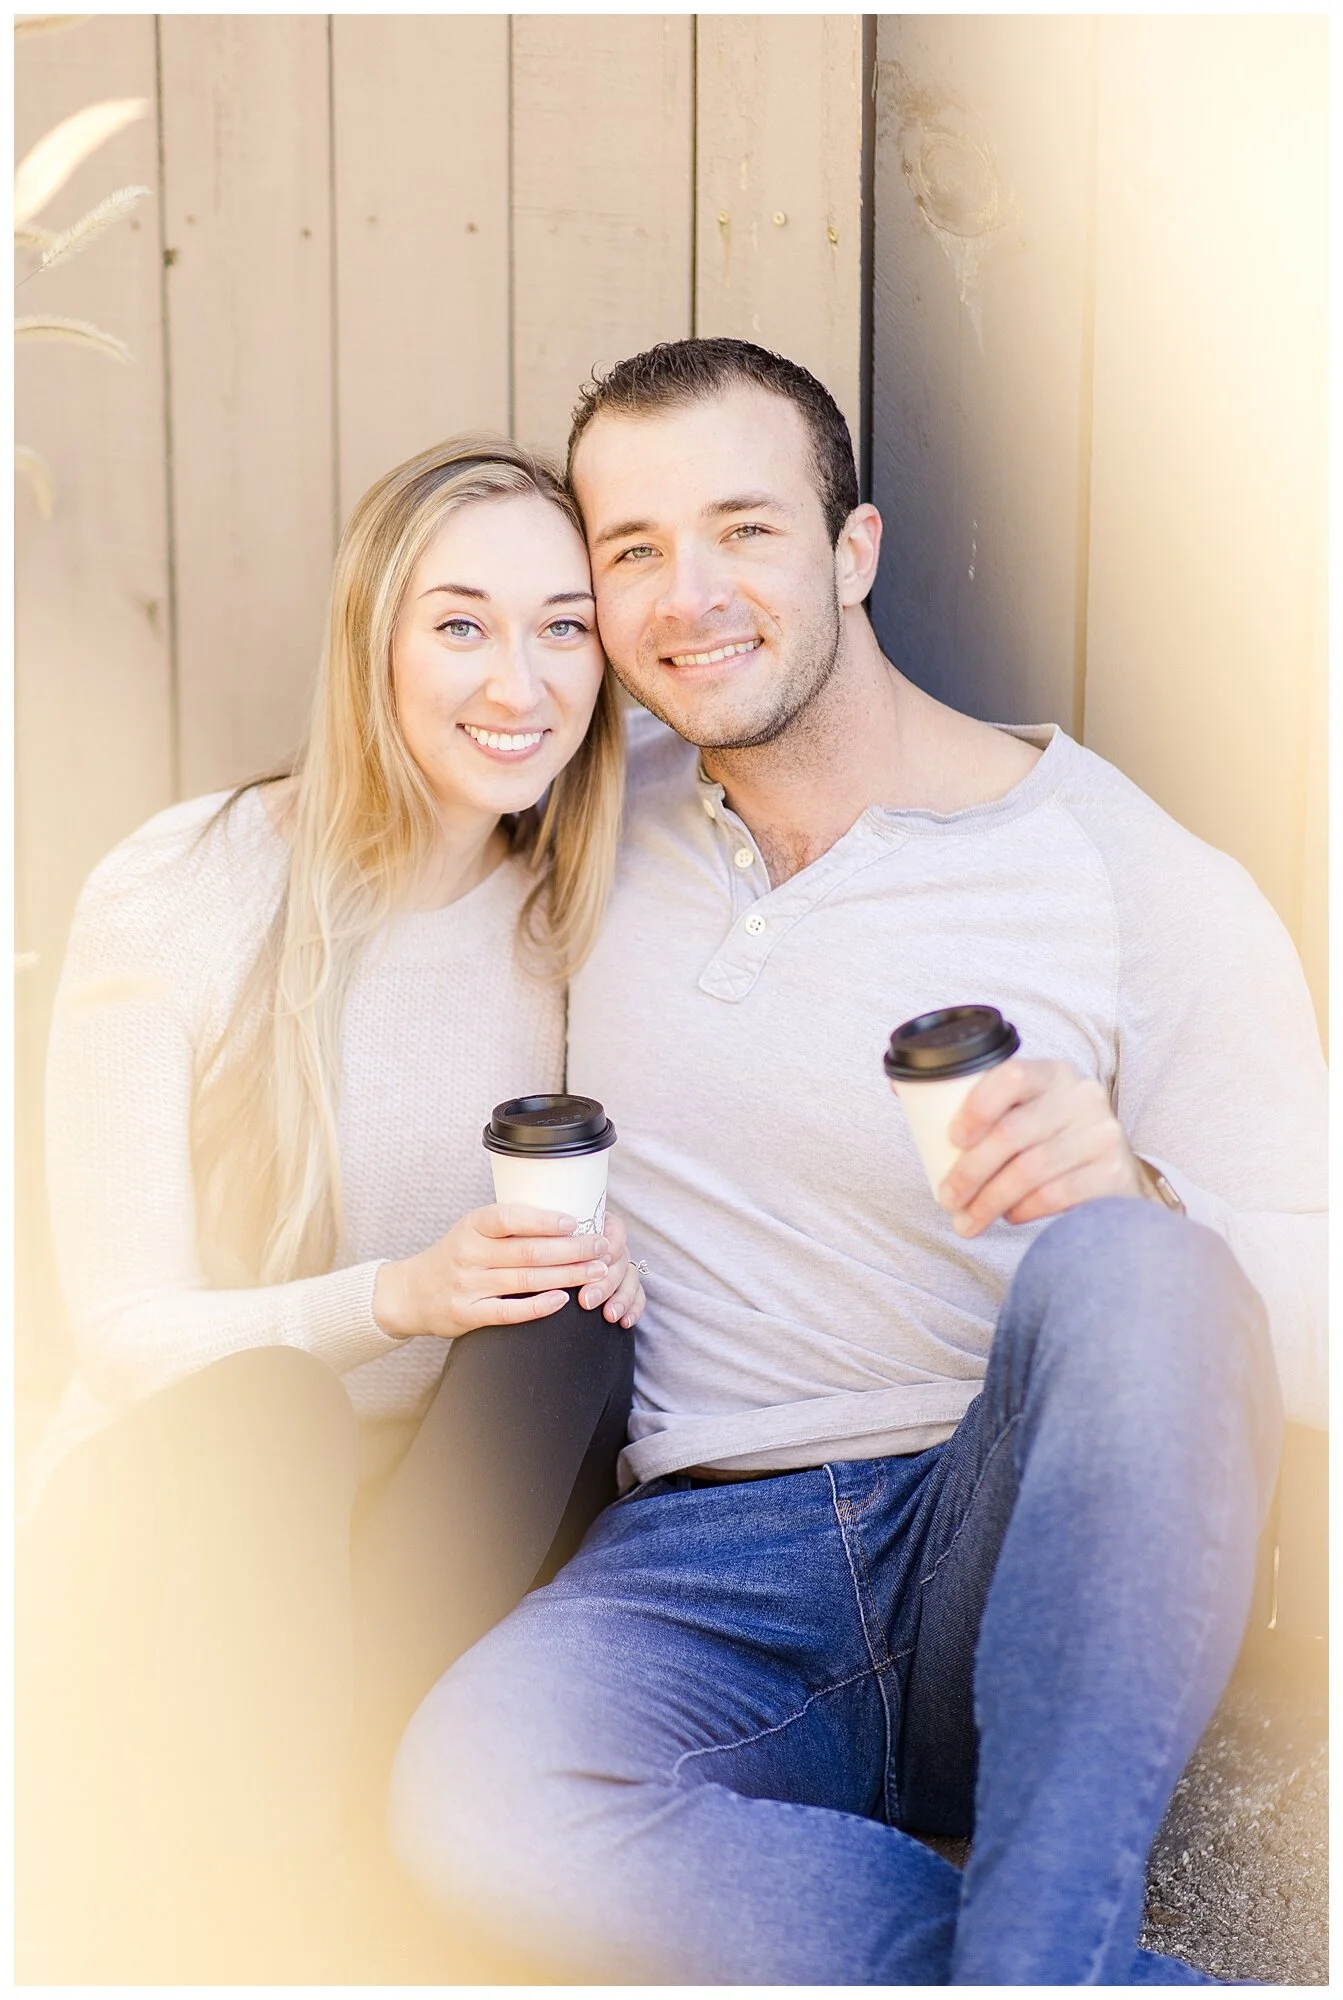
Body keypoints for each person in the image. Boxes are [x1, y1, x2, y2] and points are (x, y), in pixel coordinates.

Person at [389, 342, 1327, 1985]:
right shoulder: (590, 825)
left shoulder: (1131, 877)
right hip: (705, 1559)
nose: (688, 597)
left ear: (853, 551)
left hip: (1014, 1541)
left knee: (1135, 1263)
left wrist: (1140, 1201)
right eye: (631, 553)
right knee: (477, 1800)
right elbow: (343, 864)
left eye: (744, 529)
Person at [15, 436, 648, 1982]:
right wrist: (394, 1295)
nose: (522, 681)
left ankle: (302, 1874)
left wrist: (601, 1269)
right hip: (187, 1518)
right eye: (461, 623)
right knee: (278, 1411)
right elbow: (121, 1338)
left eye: (565, 625)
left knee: (566, 1332)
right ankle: (302, 1894)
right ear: (373, 641)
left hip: (431, 1556)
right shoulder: (186, 883)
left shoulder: (586, 915)